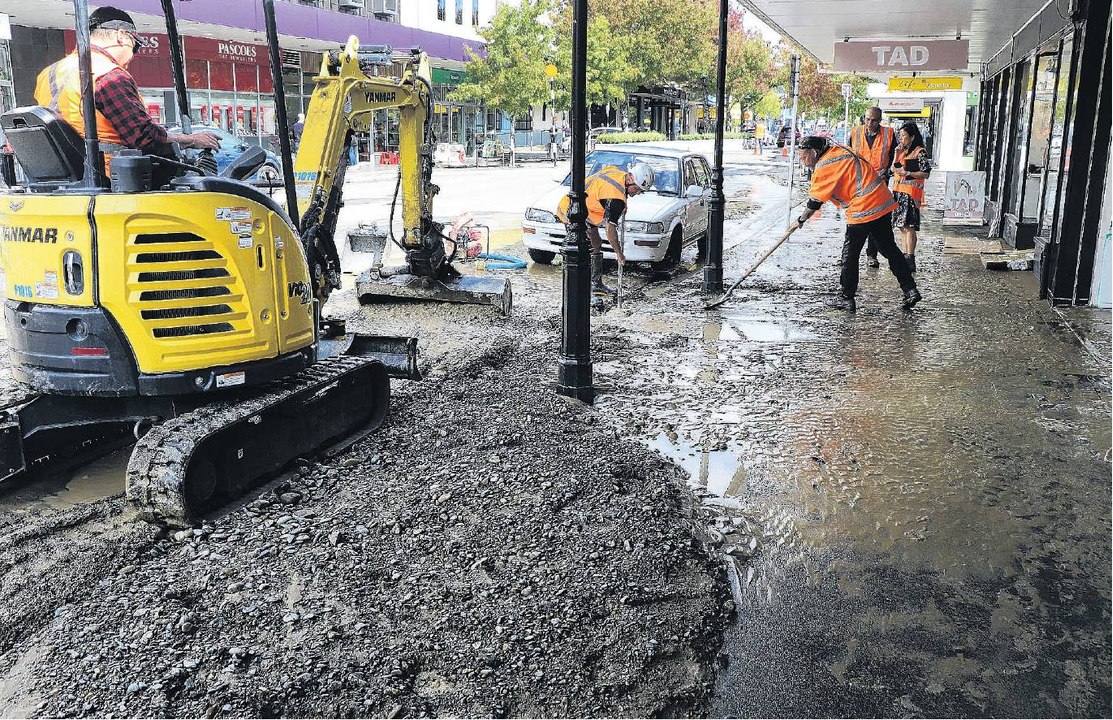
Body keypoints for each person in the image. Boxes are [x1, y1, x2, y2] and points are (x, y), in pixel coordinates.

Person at [35, 6, 218, 172]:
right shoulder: (108, 74)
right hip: (111, 174)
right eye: (135, 46)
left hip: (70, 175)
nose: (132, 56)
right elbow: (142, 137)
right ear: (121, 36)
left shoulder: (49, 73)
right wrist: (191, 140)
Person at [790, 135, 921, 312]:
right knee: (889, 249)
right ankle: (910, 289)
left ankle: (846, 298)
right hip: (881, 201)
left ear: (814, 152)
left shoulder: (825, 165)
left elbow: (815, 201)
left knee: (850, 255)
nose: (801, 159)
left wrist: (800, 221)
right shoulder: (841, 150)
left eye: (803, 155)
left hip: (863, 207)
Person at [556, 162, 655, 297]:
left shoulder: (619, 175)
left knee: (596, 243)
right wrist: (619, 253)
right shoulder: (615, 198)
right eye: (637, 189)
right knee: (582, 251)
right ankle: (584, 292)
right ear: (630, 179)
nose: (636, 193)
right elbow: (610, 230)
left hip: (586, 210)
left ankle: (595, 283)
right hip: (572, 210)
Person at [848, 106, 896, 268]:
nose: (870, 123)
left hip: (878, 183)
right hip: (858, 183)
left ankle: (871, 255)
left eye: (874, 120)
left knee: (874, 218)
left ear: (880, 120)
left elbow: (894, 158)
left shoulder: (889, 134)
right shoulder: (855, 133)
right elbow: (848, 157)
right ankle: (847, 254)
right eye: (867, 119)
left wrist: (888, 173)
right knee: (855, 217)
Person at [890, 122, 932, 274]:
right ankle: (905, 255)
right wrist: (896, 154)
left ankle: (910, 257)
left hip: (910, 194)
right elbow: (893, 168)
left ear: (912, 137)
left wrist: (908, 173)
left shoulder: (919, 152)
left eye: (903, 136)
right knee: (901, 226)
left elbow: (926, 173)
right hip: (898, 192)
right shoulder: (902, 151)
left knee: (909, 227)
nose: (901, 139)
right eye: (899, 136)